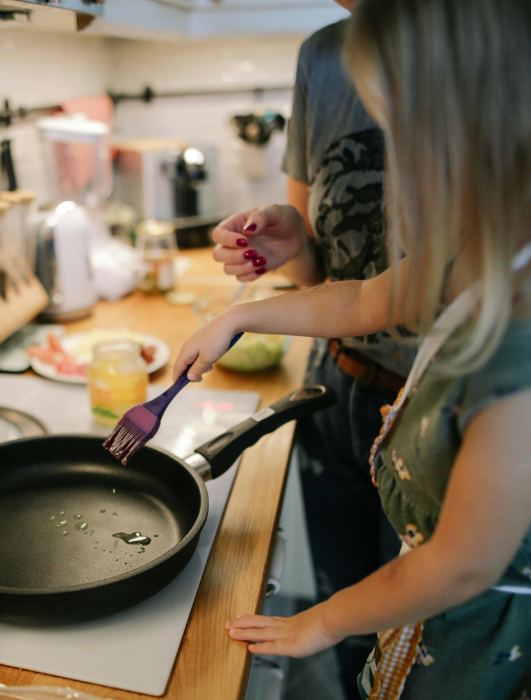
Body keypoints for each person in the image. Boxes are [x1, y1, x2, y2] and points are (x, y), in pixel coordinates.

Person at [175, 0, 531, 697]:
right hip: (421, 618)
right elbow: (365, 299)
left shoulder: (517, 355)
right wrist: (241, 316)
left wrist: (325, 622)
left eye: (405, 132)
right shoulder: (482, 248)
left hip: (472, 646)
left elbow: (461, 565)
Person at [212, 2, 407, 696]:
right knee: (349, 621)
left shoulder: (491, 45)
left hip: (439, 407)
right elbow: (334, 280)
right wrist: (288, 240)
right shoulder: (324, 56)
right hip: (338, 384)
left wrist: (248, 319)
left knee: (416, 641)